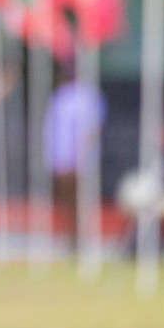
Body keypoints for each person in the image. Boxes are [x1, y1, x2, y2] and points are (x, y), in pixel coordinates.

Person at [44, 61, 106, 248]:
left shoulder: (88, 95)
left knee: (81, 200)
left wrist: (82, 155)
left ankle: (82, 238)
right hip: (61, 159)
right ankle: (71, 237)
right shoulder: (60, 96)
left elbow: (94, 129)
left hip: (80, 159)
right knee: (67, 202)